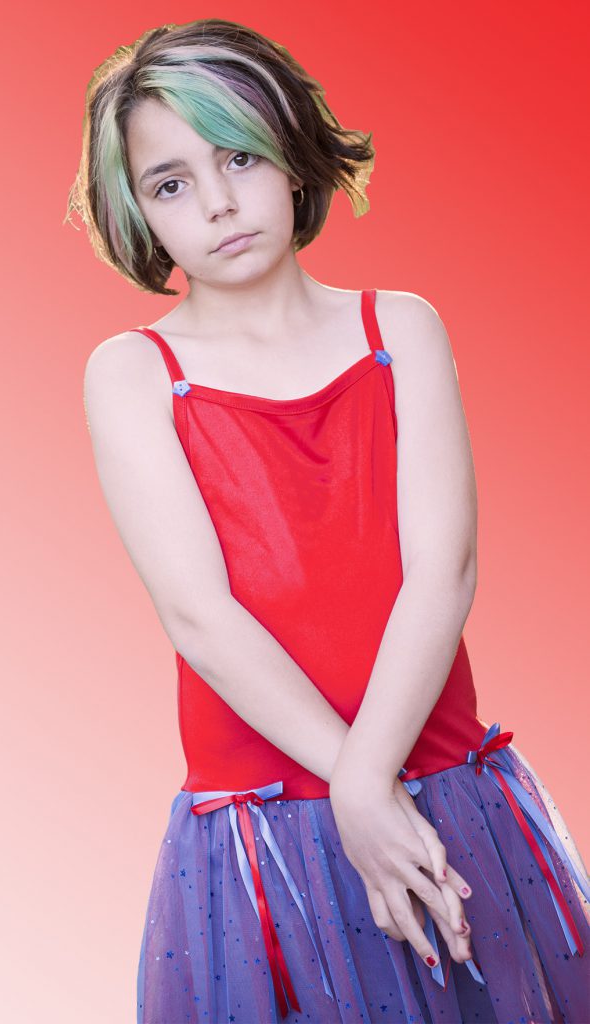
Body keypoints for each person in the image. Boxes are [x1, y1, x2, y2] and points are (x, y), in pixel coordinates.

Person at [65, 18, 590, 1023]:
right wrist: (352, 791)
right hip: (261, 832)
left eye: (238, 157)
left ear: (293, 153)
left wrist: (368, 787)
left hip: (439, 785)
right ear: (138, 208)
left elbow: (443, 567)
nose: (216, 202)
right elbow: (200, 617)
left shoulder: (398, 326)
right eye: (171, 182)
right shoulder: (133, 373)